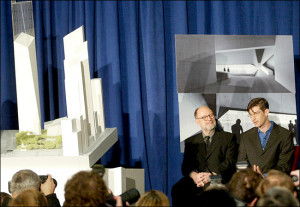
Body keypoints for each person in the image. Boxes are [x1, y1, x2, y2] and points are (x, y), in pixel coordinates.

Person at [171, 106, 238, 206]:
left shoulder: (228, 137)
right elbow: (186, 166)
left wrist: (212, 175)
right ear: (197, 122)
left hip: (218, 177)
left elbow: (230, 161)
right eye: (204, 117)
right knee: (178, 188)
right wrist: (194, 176)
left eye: (211, 115)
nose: (209, 119)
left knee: (212, 192)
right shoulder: (190, 141)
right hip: (197, 179)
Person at [238, 97, 295, 175]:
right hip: (252, 183)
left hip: (274, 183)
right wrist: (254, 177)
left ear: (266, 112)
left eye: (256, 113)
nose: (253, 118)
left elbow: (284, 166)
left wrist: (265, 177)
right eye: (250, 115)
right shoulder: (245, 136)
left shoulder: (285, 135)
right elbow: (241, 165)